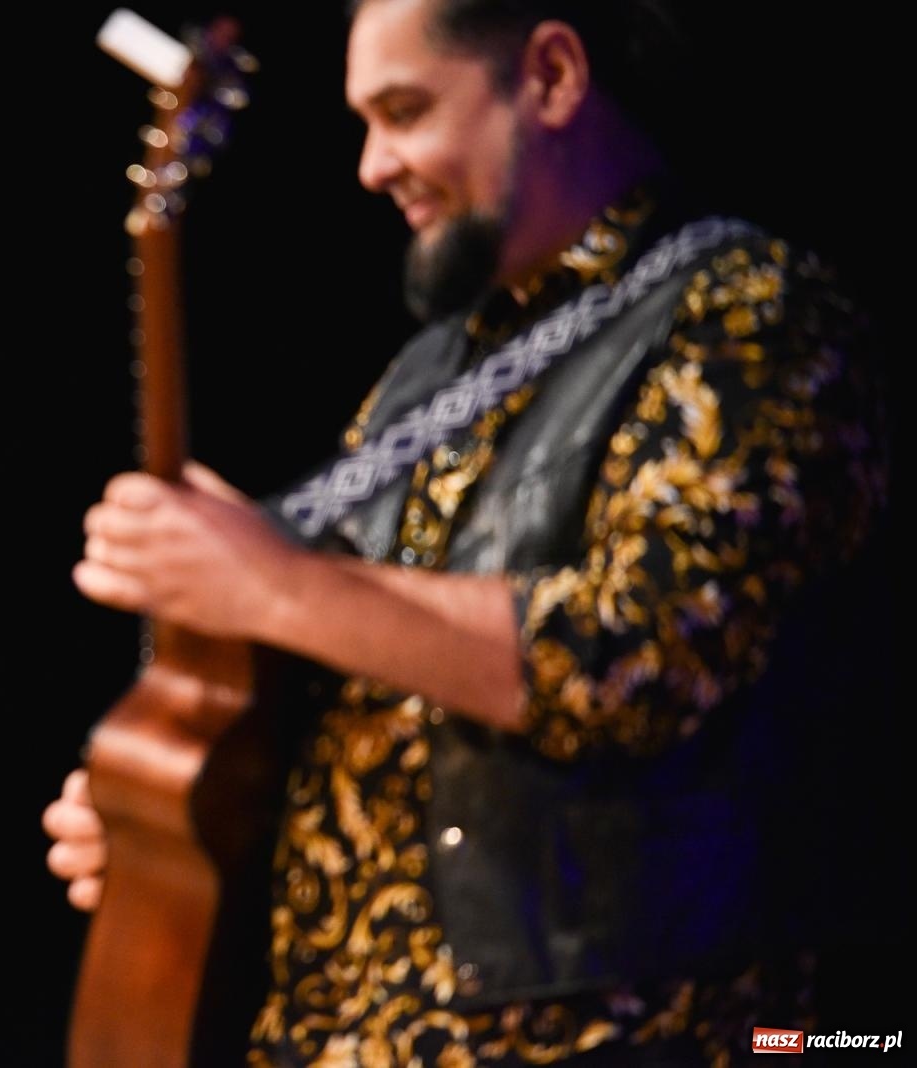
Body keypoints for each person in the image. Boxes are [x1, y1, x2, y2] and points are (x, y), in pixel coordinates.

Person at [44, 0, 894, 1064]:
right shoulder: (425, 380)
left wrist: (269, 584)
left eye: (403, 112)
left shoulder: (752, 315)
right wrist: (166, 815)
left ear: (548, 75)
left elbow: (642, 655)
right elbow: (345, 698)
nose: (369, 165)